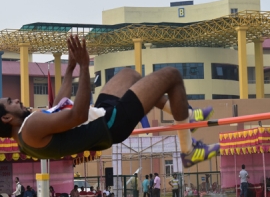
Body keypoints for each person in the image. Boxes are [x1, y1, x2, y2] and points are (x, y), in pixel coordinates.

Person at [0, 35, 219, 168]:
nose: (17, 99)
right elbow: (78, 115)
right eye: (10, 101)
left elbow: (58, 107)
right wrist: (85, 67)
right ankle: (189, 150)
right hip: (111, 124)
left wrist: (70, 68)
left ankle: (186, 117)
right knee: (172, 76)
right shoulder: (30, 127)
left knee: (129, 75)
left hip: (103, 115)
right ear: (7, 117)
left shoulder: (25, 139)